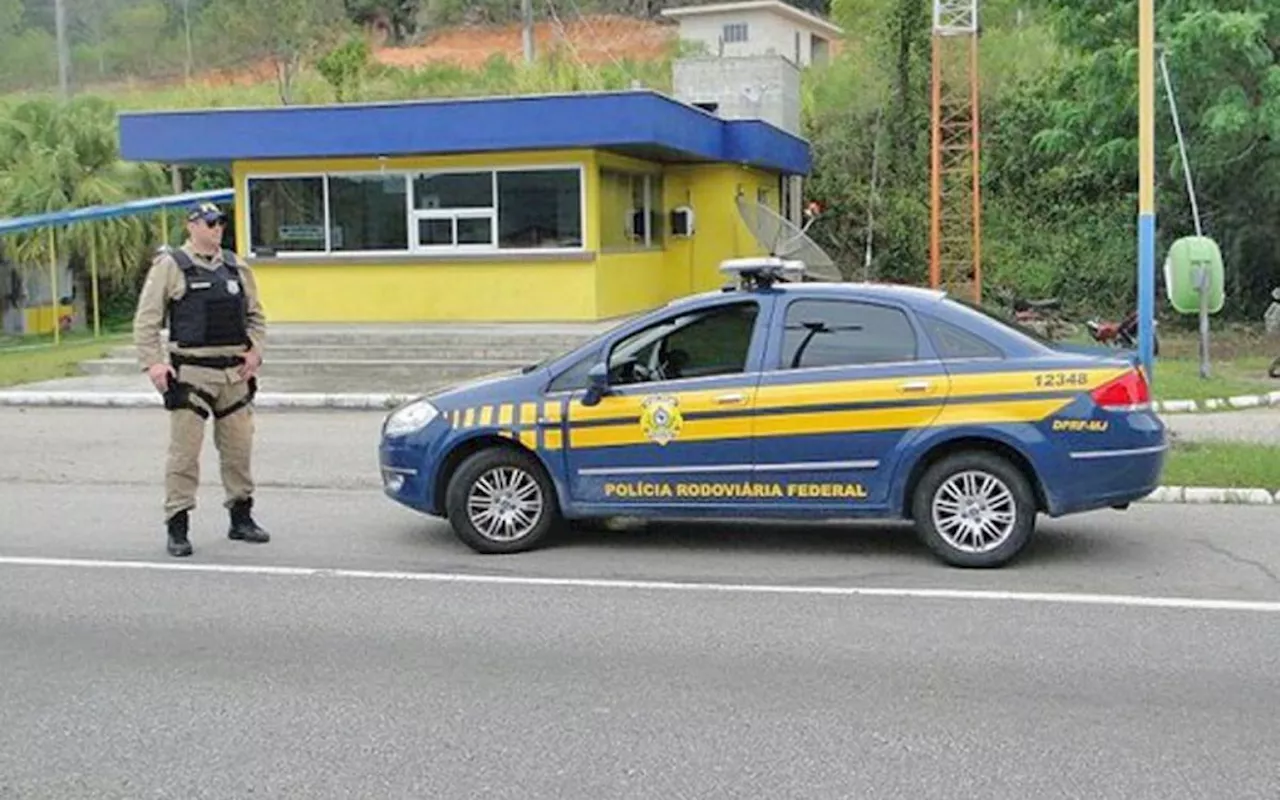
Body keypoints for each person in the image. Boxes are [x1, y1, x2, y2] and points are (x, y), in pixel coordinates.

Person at [133, 201, 270, 557]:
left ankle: (241, 518)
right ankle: (177, 523)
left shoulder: (235, 266)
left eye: (220, 222)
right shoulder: (170, 266)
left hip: (234, 375)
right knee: (184, 455)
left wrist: (255, 351)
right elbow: (147, 320)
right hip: (192, 373)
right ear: (191, 225)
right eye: (209, 223)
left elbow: (256, 317)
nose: (216, 228)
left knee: (239, 449)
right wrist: (154, 364)